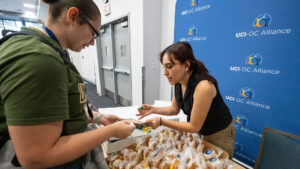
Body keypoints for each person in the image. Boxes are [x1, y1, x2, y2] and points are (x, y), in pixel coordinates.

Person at [0, 0, 135, 168]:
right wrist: (111, 131)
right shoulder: (39, 59)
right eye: (93, 33)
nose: (92, 42)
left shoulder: (51, 51)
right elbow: (37, 156)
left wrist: (98, 117)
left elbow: (53, 108)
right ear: (72, 16)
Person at [137, 41, 235, 158]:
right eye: (164, 67)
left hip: (218, 133)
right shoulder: (177, 81)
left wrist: (161, 121)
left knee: (220, 164)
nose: (165, 73)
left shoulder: (203, 87)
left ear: (186, 65)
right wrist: (153, 109)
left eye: (169, 67)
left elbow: (194, 127)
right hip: (200, 132)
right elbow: (174, 109)